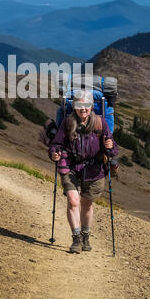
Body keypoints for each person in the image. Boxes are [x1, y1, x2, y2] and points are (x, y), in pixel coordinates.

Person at [48, 90, 118, 254]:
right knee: (73, 201)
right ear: (74, 106)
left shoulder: (100, 123)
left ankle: (86, 235)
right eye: (79, 105)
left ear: (91, 106)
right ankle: (76, 238)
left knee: (87, 203)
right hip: (70, 167)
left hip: (94, 170)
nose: (83, 109)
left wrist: (110, 147)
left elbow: (113, 148)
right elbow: (56, 143)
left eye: (86, 105)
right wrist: (54, 153)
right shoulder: (67, 122)